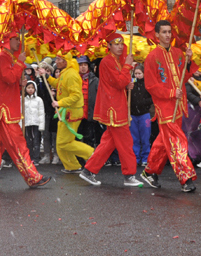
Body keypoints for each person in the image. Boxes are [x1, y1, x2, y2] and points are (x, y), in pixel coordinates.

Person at [0, 32, 51, 190]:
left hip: (0, 110)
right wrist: (20, 64)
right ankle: (32, 176)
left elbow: (7, 82)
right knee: (18, 144)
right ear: (8, 41)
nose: (19, 42)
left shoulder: (7, 57)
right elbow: (8, 77)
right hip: (4, 111)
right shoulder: (3, 57)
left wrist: (19, 83)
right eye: (16, 39)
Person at [141, 20, 198, 192]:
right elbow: (151, 86)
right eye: (164, 32)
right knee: (177, 142)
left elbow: (184, 76)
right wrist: (171, 93)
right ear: (157, 35)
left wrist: (188, 60)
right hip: (164, 108)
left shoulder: (178, 53)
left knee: (163, 143)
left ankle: (149, 171)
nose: (167, 35)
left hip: (178, 106)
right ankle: (185, 177)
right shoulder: (151, 57)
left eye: (169, 32)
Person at [80, 34, 143, 187]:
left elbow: (121, 81)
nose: (120, 46)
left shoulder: (116, 61)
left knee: (108, 142)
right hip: (114, 108)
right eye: (116, 44)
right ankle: (129, 175)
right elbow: (119, 81)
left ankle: (88, 171)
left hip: (116, 105)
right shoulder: (107, 61)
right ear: (108, 46)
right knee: (126, 142)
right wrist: (127, 67)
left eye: (121, 43)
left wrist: (128, 80)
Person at [52, 53, 95, 173]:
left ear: (65, 61)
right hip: (65, 112)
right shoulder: (65, 73)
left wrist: (60, 102)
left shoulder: (71, 75)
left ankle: (92, 154)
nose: (56, 61)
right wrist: (47, 77)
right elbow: (59, 85)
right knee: (60, 143)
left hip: (71, 113)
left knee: (64, 142)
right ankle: (72, 166)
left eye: (59, 59)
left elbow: (76, 96)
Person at [129, 64, 153, 166]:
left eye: (139, 73)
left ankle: (145, 158)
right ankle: (135, 158)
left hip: (144, 114)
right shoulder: (131, 84)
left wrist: (144, 102)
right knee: (134, 138)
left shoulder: (147, 84)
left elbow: (152, 97)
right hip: (133, 115)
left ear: (143, 74)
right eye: (136, 73)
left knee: (145, 138)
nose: (137, 75)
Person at [23, 80, 45, 162]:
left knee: (36, 141)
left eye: (32, 88)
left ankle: (36, 157)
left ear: (35, 89)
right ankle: (30, 157)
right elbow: (21, 113)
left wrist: (41, 126)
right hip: (27, 124)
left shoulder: (39, 100)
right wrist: (20, 125)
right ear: (25, 89)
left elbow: (41, 113)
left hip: (36, 124)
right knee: (28, 141)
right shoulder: (22, 99)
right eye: (28, 87)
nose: (30, 89)